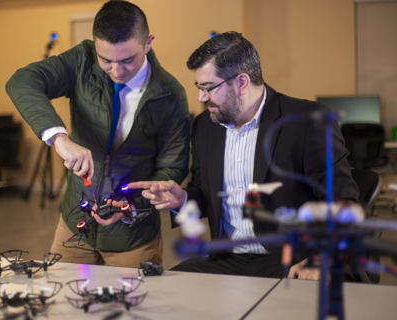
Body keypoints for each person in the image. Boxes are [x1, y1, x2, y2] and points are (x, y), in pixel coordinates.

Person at [129, 31, 359, 279]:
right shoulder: (206, 125)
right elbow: (205, 192)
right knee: (164, 292)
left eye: (209, 88)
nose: (201, 97)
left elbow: (344, 203)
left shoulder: (308, 121)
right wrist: (182, 198)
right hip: (225, 259)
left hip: (292, 260)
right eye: (199, 87)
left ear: (242, 82)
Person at [6, 0, 190, 267]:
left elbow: (172, 166)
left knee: (134, 308)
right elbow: (21, 81)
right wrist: (60, 138)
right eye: (106, 60)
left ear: (148, 43)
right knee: (64, 305)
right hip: (74, 229)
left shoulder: (172, 94)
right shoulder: (82, 59)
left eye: (128, 60)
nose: (116, 71)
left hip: (133, 238)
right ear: (95, 45)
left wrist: (131, 206)